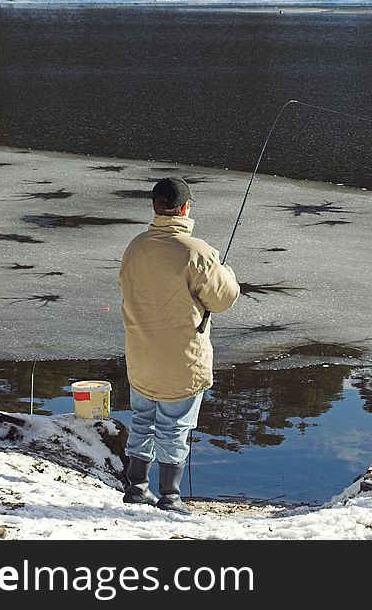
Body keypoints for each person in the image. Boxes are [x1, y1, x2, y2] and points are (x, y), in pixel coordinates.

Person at [118, 177, 240, 514]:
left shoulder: (135, 247)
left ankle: (136, 488)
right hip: (182, 361)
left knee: (142, 420)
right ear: (185, 208)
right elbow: (223, 299)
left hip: (141, 355)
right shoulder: (197, 252)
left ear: (154, 206)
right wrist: (224, 271)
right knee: (175, 427)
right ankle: (170, 497)